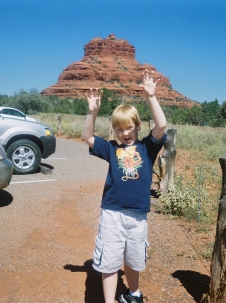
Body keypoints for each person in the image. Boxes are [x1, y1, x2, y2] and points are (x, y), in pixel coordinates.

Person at [82, 69, 167, 303]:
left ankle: (134, 294)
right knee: (109, 260)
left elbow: (161, 125)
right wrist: (92, 112)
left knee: (134, 258)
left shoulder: (148, 148)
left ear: (138, 125)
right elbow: (87, 137)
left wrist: (151, 96)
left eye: (129, 127)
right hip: (112, 213)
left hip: (138, 216)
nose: (124, 133)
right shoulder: (111, 149)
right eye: (119, 129)